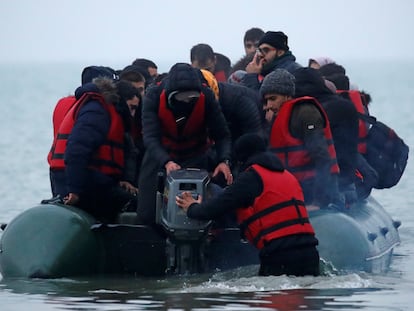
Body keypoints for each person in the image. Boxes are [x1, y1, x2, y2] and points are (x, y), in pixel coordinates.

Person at [176, 133, 320, 277]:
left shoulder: (251, 177)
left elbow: (215, 208)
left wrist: (192, 207)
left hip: (280, 255)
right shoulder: (288, 176)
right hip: (311, 253)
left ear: (241, 159)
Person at [137, 63, 233, 224]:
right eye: (183, 98)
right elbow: (150, 137)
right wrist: (166, 161)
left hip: (195, 155)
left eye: (192, 98)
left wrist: (224, 160)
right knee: (147, 213)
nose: (188, 102)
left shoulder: (206, 97)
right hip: (160, 155)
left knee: (205, 209)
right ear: (170, 95)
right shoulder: (153, 96)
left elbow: (222, 134)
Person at [48, 77, 128, 222]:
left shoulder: (92, 107)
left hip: (70, 174)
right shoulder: (96, 112)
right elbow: (77, 149)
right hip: (75, 177)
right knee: (127, 200)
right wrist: (75, 190)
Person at [261, 69, 343, 209]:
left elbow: (322, 157)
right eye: (266, 100)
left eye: (273, 99)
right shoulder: (276, 117)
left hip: (315, 189)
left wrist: (318, 202)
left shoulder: (306, 113)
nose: (268, 106)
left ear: (287, 96)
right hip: (294, 189)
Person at [293, 67, 359, 205]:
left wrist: (318, 201)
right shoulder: (343, 105)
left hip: (333, 188)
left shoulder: (314, 111)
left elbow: (321, 155)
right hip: (348, 182)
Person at [49, 65, 118, 195]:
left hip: (57, 169)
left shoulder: (66, 104)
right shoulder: (94, 109)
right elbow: (79, 146)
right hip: (77, 170)